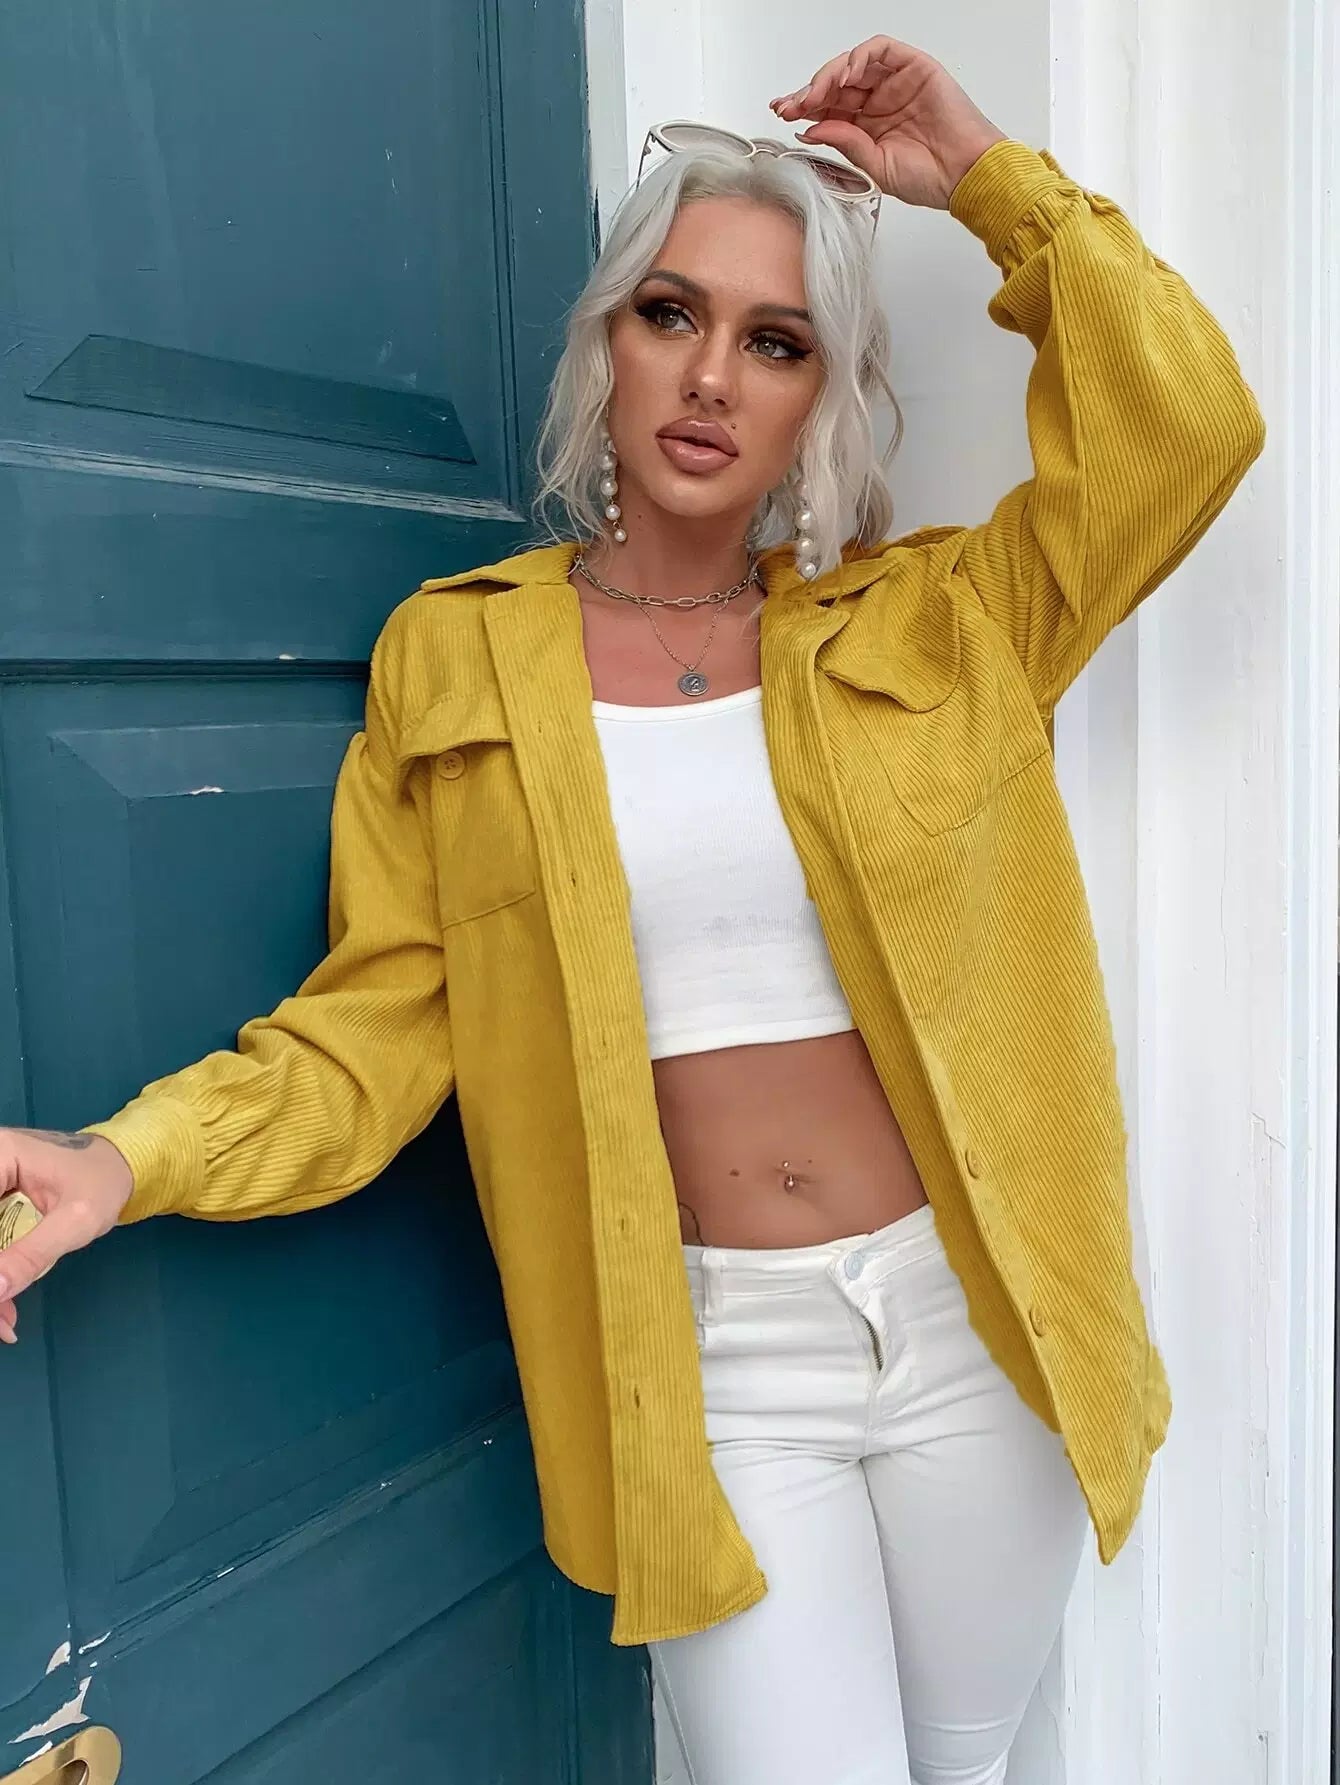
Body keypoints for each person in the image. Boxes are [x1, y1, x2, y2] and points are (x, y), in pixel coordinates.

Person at [0, 34, 1263, 1785]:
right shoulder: (460, 655)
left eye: (778, 341)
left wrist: (987, 178)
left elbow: (1188, 428)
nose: (713, 375)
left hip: (976, 1321)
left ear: (821, 396)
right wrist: (123, 1160)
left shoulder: (941, 626)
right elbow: (373, 1031)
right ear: (608, 341)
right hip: (715, 1357)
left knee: (971, 1762)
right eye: (672, 313)